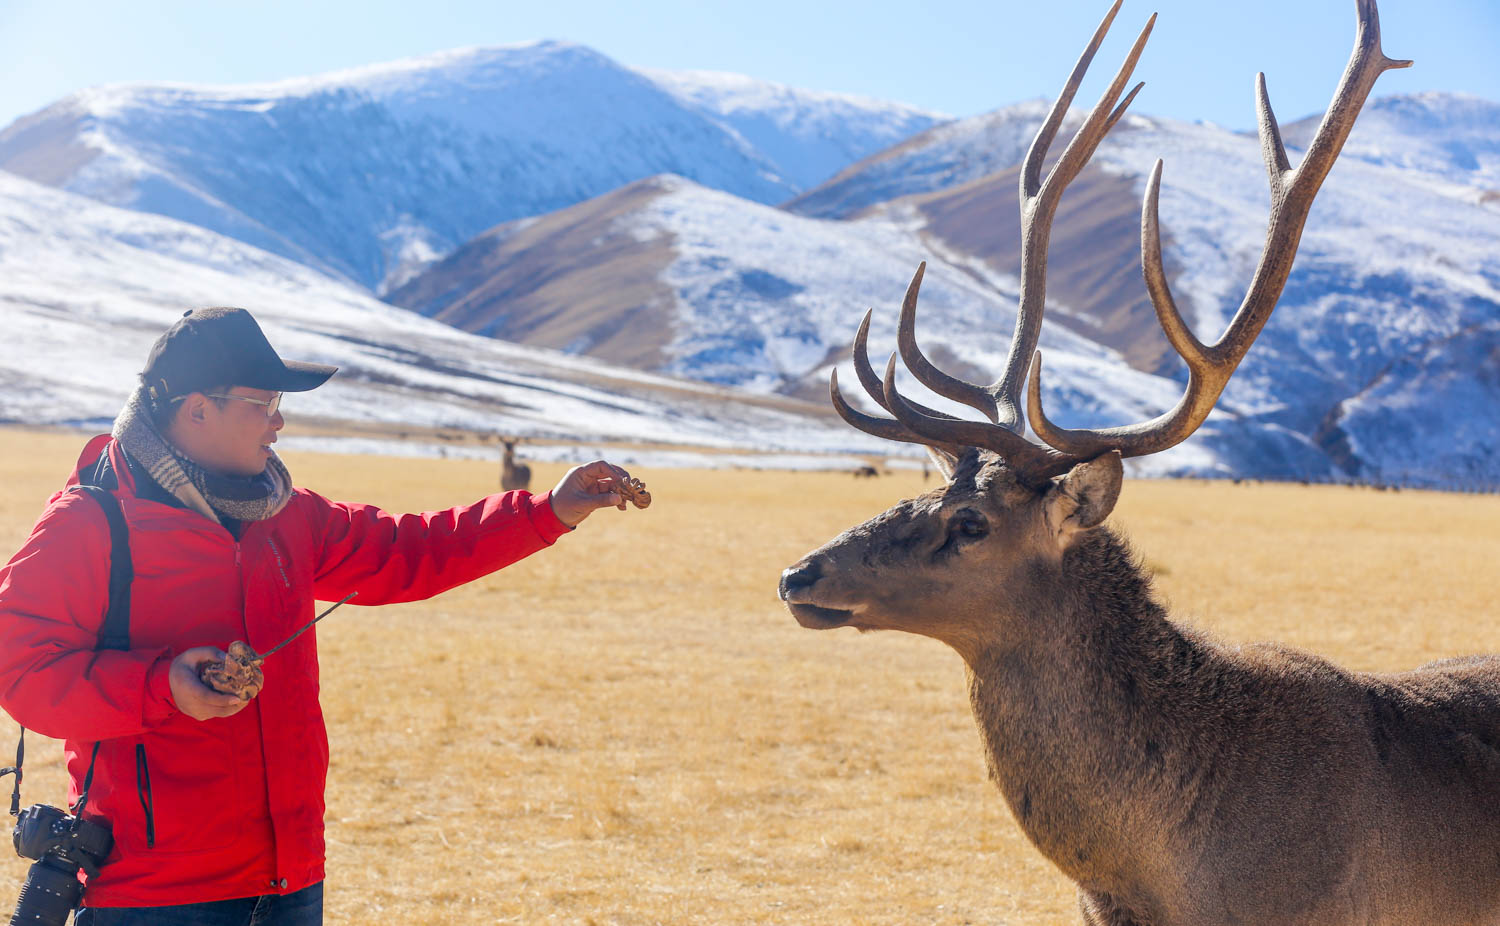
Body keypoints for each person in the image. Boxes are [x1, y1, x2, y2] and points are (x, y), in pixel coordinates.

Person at [0, 307, 636, 925]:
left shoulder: (287, 514)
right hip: (156, 892)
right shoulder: (88, 525)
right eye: (262, 402)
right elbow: (20, 673)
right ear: (197, 408)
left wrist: (551, 509)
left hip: (291, 878)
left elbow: (411, 550)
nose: (279, 422)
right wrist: (162, 686)